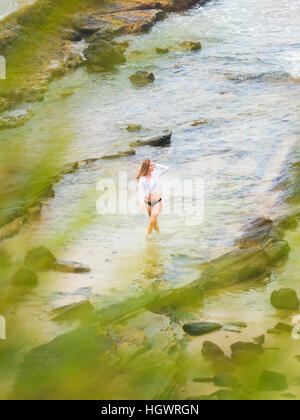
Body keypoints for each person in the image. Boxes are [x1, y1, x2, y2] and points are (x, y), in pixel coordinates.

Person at [136, 159, 169, 238]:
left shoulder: (156, 173)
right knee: (154, 222)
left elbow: (167, 168)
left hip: (157, 201)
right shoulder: (142, 179)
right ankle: (159, 235)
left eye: (152, 165)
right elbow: (141, 193)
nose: (153, 166)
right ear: (147, 167)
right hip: (147, 203)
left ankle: (146, 237)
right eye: (151, 165)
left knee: (151, 221)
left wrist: (156, 165)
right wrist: (141, 205)